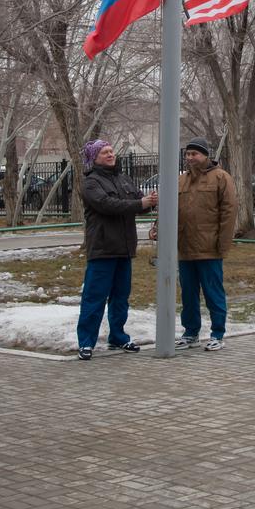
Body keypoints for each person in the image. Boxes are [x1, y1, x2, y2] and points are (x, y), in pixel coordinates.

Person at [77, 139, 157, 361]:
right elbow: (108, 205)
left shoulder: (123, 179)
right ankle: (86, 342)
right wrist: (140, 203)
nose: (110, 154)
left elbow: (136, 203)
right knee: (94, 298)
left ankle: (118, 336)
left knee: (121, 298)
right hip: (103, 249)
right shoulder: (91, 183)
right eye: (105, 152)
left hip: (124, 249)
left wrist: (150, 201)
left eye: (111, 151)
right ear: (94, 158)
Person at [174, 138, 237, 352]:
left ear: (205, 155)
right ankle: (191, 332)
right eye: (188, 154)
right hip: (185, 247)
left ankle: (217, 333)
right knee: (188, 294)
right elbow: (173, 208)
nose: (190, 158)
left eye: (195, 154)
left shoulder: (221, 177)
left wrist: (222, 244)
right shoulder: (181, 180)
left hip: (209, 248)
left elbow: (229, 212)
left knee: (213, 293)